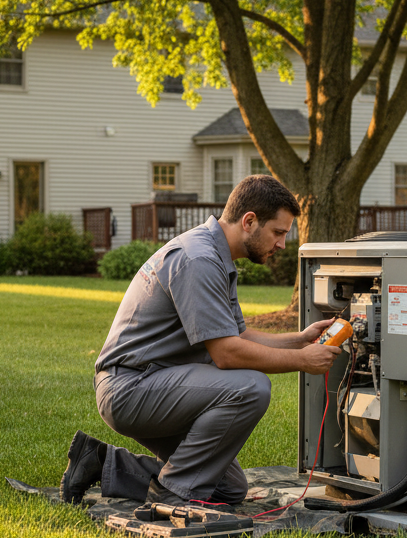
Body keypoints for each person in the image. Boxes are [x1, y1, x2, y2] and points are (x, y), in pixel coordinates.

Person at [59, 174, 340, 509]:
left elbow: (237, 336)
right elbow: (226, 354)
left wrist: (300, 340)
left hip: (156, 384)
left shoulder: (216, 254)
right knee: (251, 387)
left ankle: (99, 461)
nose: (281, 243)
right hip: (131, 388)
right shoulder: (199, 259)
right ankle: (174, 492)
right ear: (249, 221)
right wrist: (303, 362)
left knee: (228, 489)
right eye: (278, 232)